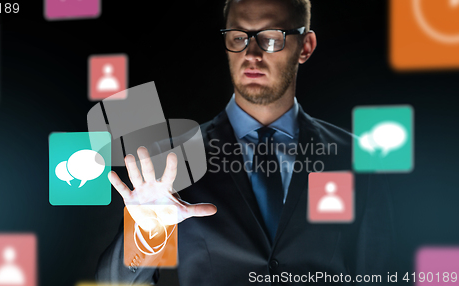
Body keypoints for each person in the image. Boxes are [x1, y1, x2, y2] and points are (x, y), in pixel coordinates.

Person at [96, 0, 395, 284]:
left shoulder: (358, 158)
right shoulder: (173, 162)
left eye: (271, 36)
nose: (252, 53)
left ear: (305, 46)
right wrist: (145, 233)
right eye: (239, 37)